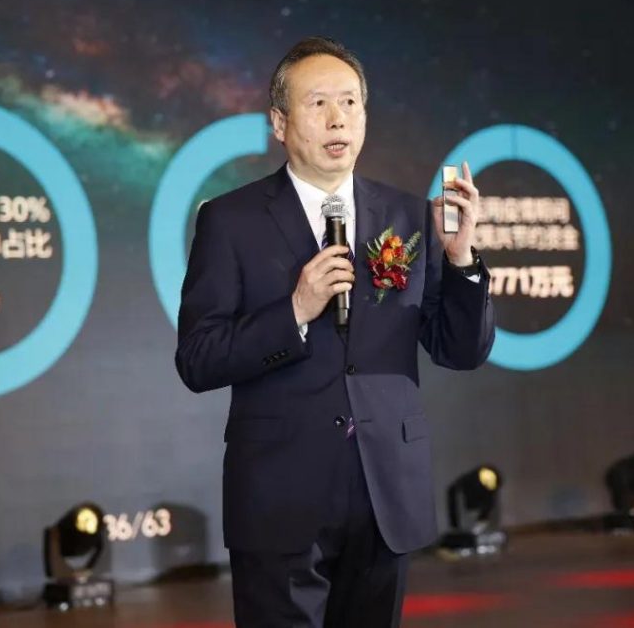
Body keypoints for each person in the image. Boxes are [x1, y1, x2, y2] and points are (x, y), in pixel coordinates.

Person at [175, 37, 495, 627]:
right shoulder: (230, 220)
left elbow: (460, 350)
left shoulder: (407, 216)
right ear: (279, 123)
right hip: (280, 495)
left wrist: (461, 259)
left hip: (384, 492)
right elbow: (198, 358)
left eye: (349, 102)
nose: (337, 118)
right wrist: (295, 310)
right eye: (317, 102)